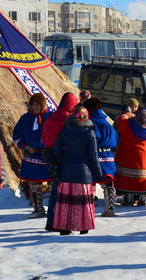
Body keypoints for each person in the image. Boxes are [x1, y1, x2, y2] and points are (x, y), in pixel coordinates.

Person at [51, 106, 103, 235]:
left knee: (65, 202)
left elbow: (57, 151)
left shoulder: (64, 131)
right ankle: (83, 228)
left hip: (66, 170)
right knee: (82, 203)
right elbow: (93, 156)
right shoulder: (89, 133)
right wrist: (99, 173)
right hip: (83, 173)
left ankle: (64, 228)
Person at [42, 92, 80, 232]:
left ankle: (51, 222)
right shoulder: (67, 119)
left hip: (49, 155)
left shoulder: (51, 116)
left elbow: (45, 137)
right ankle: (61, 223)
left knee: (55, 190)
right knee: (64, 192)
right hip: (63, 156)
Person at [12, 93, 52, 218]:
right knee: (34, 184)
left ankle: (55, 210)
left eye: (38, 105)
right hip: (32, 156)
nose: (35, 107)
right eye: (33, 104)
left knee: (55, 182)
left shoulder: (50, 117)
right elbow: (17, 135)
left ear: (43, 105)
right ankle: (38, 208)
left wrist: (51, 148)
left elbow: (58, 134)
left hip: (48, 156)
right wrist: (25, 147)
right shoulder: (25, 119)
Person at [84, 98, 120, 217]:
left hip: (96, 155)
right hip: (108, 156)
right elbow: (116, 139)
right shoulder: (107, 123)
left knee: (89, 182)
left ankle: (88, 208)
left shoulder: (91, 121)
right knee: (108, 182)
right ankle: (110, 208)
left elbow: (94, 137)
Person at [114, 108, 146, 207]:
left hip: (128, 157)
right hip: (144, 159)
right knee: (142, 179)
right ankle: (142, 199)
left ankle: (129, 199)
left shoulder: (127, 126)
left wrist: (129, 114)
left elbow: (121, 119)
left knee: (129, 179)